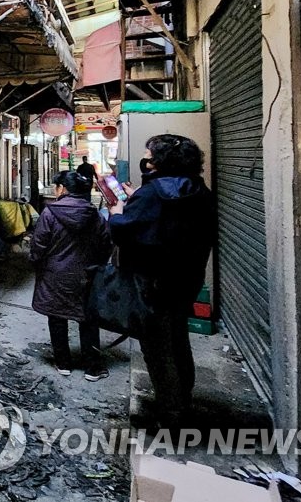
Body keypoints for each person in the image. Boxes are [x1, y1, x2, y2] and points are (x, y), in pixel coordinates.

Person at [108, 134, 216, 424]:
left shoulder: (153, 193)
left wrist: (117, 213)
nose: (148, 161)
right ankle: (182, 400)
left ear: (161, 161)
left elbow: (125, 231)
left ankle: (170, 414)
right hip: (186, 280)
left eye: (151, 156)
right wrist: (139, 198)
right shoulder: (199, 191)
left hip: (152, 284)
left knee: (157, 348)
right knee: (178, 340)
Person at [29, 171, 113, 381]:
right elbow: (106, 244)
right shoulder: (95, 216)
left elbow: (38, 245)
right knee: (87, 318)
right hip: (87, 274)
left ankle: (63, 362)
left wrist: (36, 262)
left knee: (57, 317)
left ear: (63, 189)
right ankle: (92, 367)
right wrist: (97, 265)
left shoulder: (49, 214)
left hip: (55, 274)